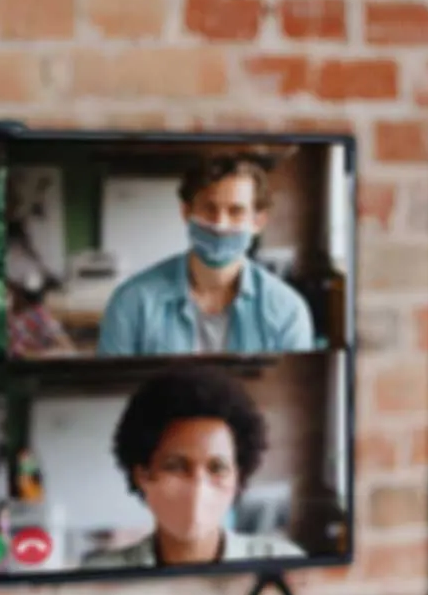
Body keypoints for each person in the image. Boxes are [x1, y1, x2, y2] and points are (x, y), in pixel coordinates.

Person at [82, 364, 306, 569]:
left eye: (217, 467)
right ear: (143, 475)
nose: (198, 486)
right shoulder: (98, 573)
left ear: (238, 476)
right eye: (176, 466)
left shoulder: (283, 562)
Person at [95, 154, 317, 357]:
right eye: (209, 208)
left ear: (258, 221)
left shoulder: (288, 311)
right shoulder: (132, 302)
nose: (220, 224)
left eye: (236, 211)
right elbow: (107, 392)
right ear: (186, 212)